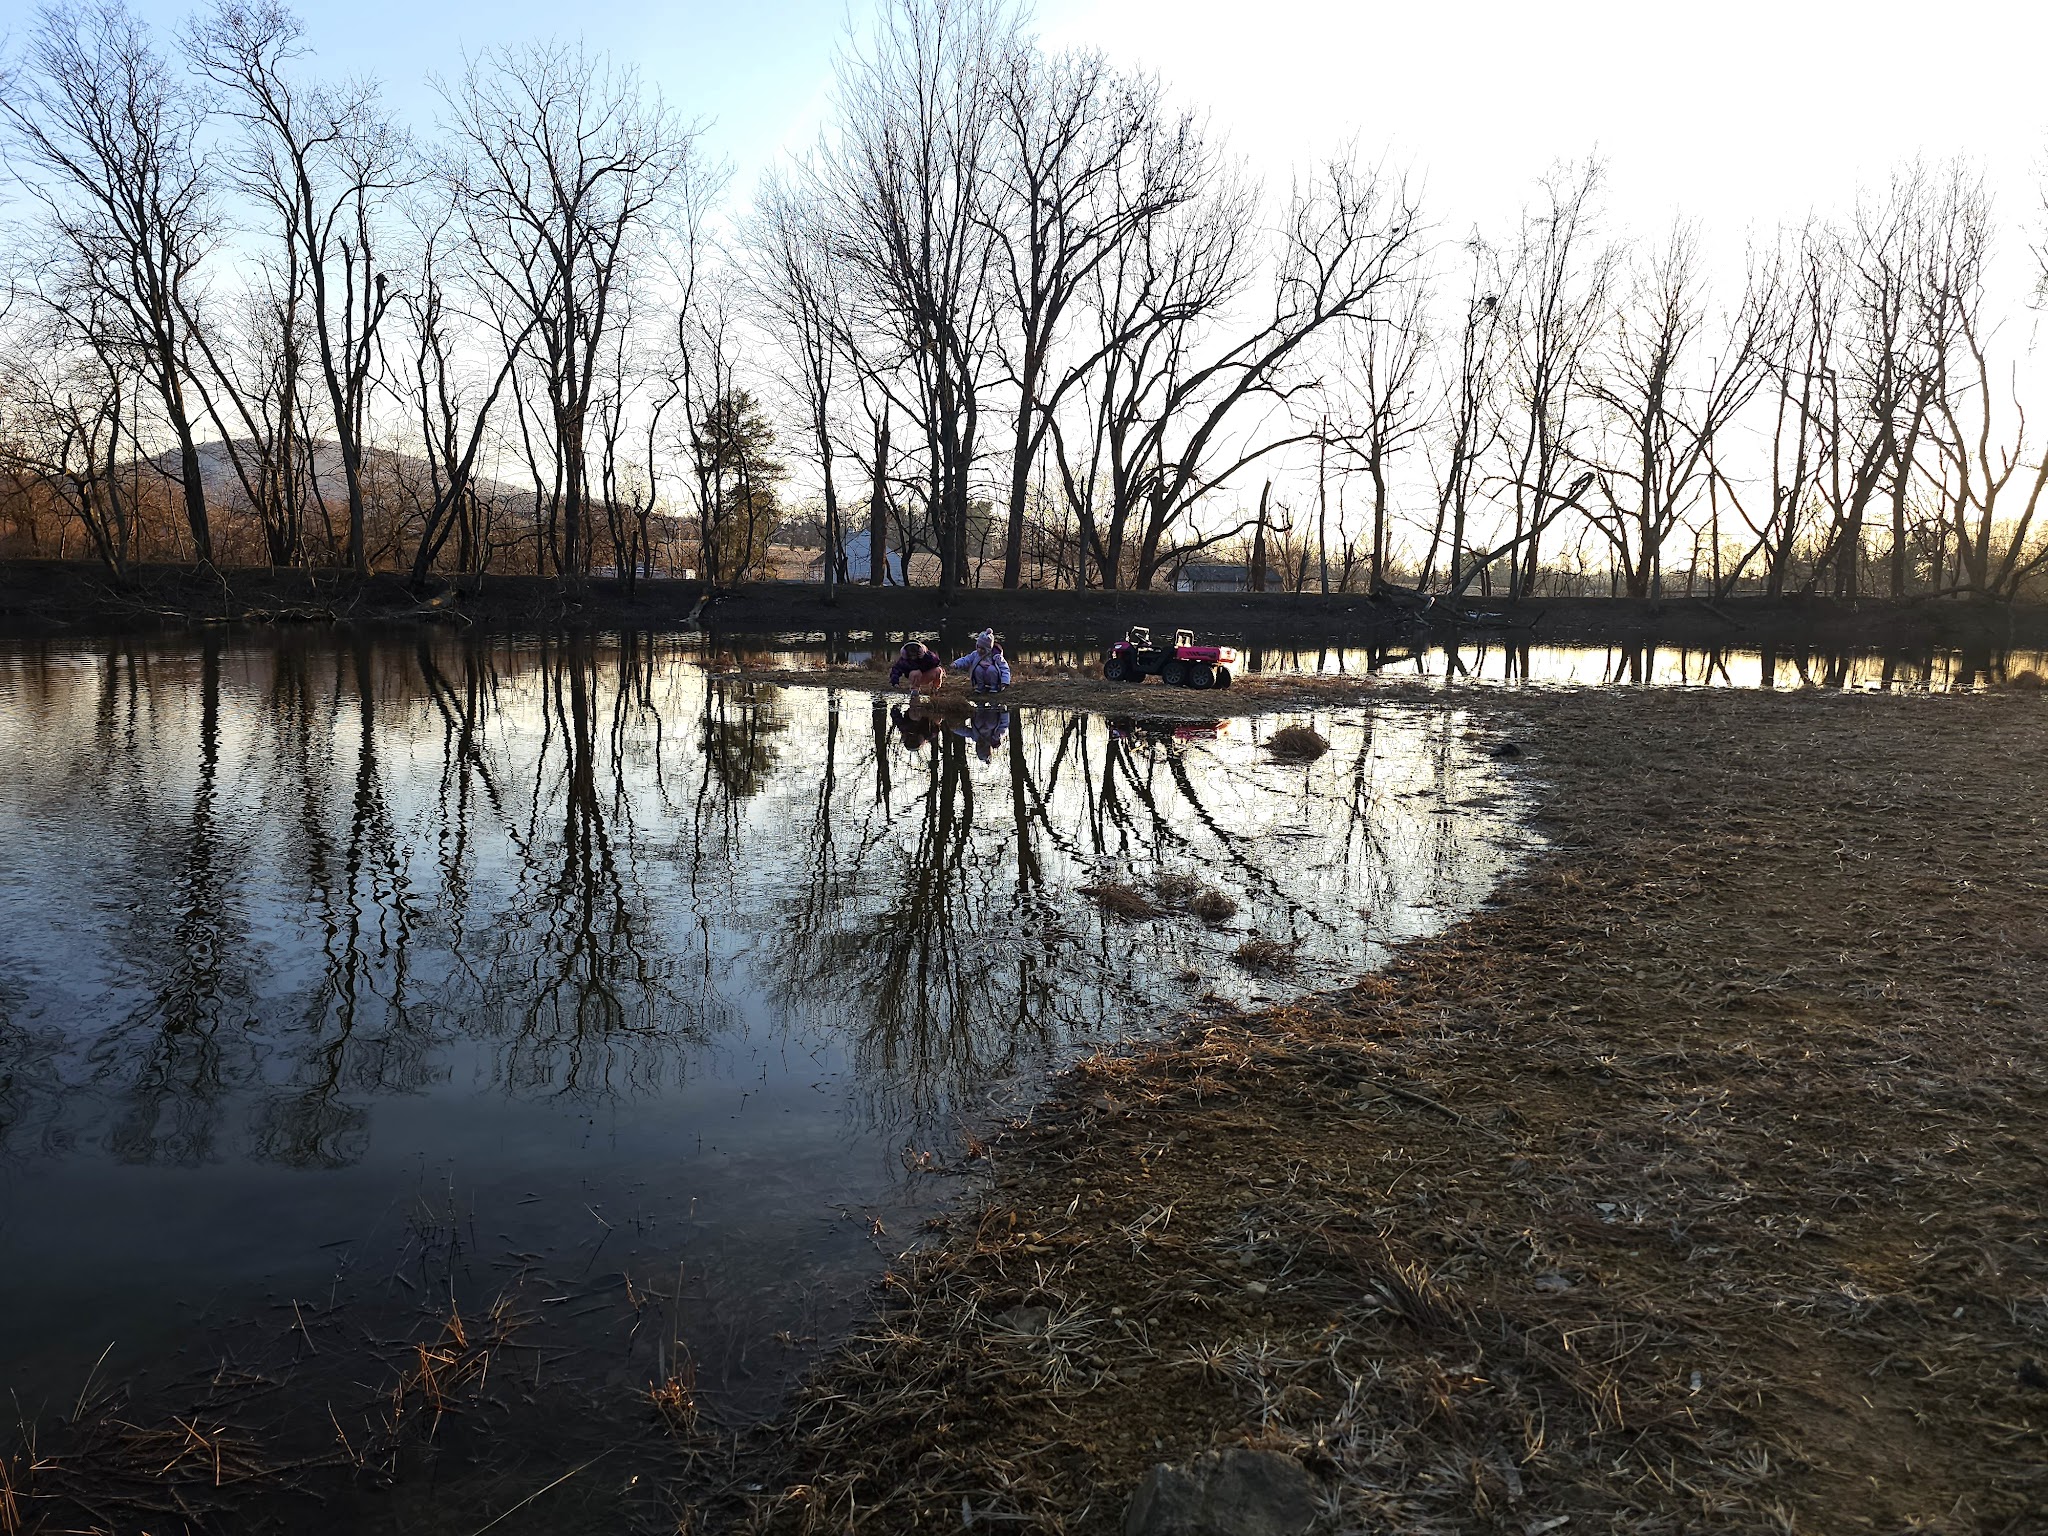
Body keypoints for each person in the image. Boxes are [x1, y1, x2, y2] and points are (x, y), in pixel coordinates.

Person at [953, 628, 1010, 694]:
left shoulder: (996, 656)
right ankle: (980, 687)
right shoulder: (975, 654)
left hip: (993, 677)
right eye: (978, 647)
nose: (979, 650)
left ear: (989, 648)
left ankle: (994, 687)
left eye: (982, 648)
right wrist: (956, 663)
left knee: (991, 669)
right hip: (982, 676)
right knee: (977, 669)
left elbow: (1004, 668)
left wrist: (1005, 681)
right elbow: (966, 659)